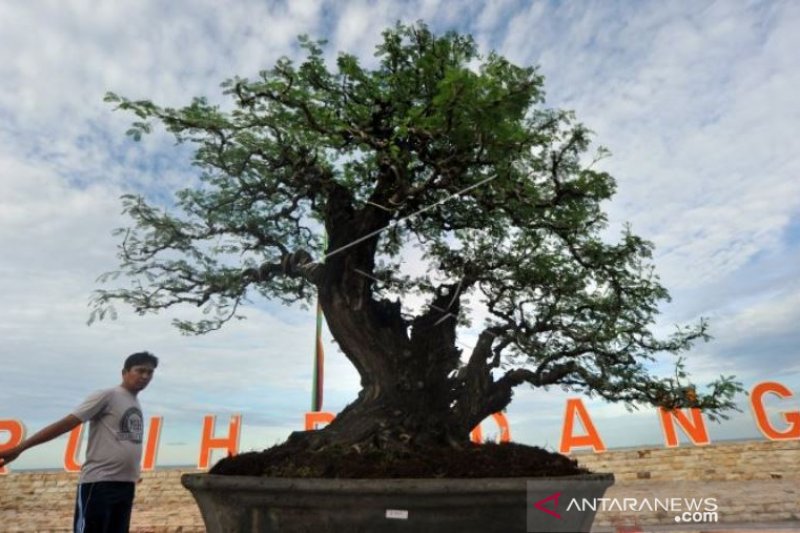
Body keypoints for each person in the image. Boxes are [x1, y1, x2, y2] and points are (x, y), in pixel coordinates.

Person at [0, 351, 158, 533]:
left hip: (125, 485)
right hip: (99, 484)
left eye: (149, 372)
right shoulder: (107, 395)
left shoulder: (135, 402)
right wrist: (21, 448)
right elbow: (68, 422)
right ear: (124, 372)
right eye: (140, 371)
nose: (145, 376)